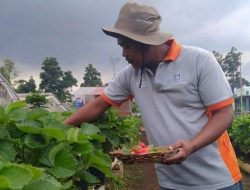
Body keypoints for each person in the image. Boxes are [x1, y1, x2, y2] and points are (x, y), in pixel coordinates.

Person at [64, 2, 243, 190]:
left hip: (216, 180)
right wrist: (60, 127)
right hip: (170, 183)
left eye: (127, 46)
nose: (123, 53)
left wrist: (192, 145)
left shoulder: (199, 60)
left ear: (146, 42)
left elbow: (224, 114)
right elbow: (98, 105)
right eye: (121, 45)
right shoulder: (131, 74)